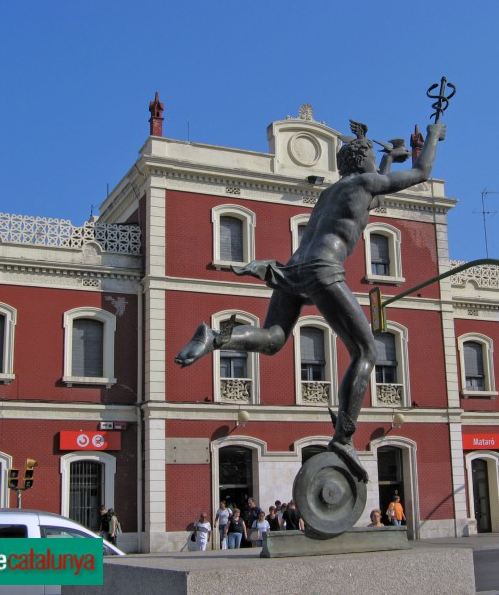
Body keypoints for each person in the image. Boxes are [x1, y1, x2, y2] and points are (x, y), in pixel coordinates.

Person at [175, 121, 446, 482]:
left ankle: (217, 337)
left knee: (273, 338)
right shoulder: (365, 182)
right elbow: (422, 171)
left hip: (293, 269)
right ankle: (345, 438)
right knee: (367, 352)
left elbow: (374, 202)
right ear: (363, 159)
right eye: (372, 157)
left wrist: (385, 161)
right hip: (322, 269)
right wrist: (432, 136)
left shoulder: (333, 192)